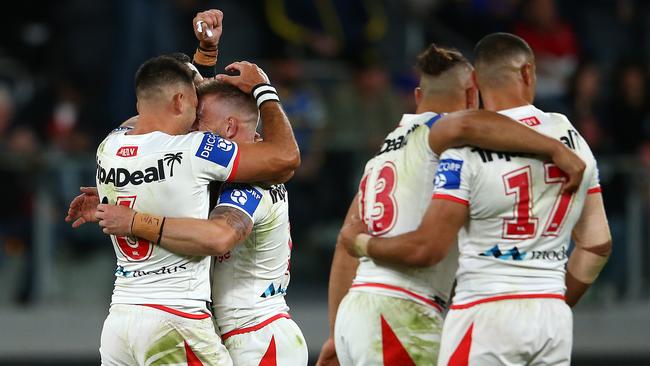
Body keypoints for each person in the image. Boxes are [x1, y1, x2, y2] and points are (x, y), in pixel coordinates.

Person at [340, 33, 610, 366]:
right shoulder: (574, 141)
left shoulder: (463, 149)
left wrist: (363, 243)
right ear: (528, 73)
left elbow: (429, 246)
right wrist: (553, 300)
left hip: (485, 312)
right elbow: (598, 245)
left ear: (476, 83)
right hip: (552, 317)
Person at [76, 52, 298, 364]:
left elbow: (220, 235)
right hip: (189, 322)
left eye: (199, 121)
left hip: (257, 335)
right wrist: (202, 63)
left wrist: (133, 217)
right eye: (192, 114)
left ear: (231, 129)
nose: (191, 129)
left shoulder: (110, 145)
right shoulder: (197, 158)